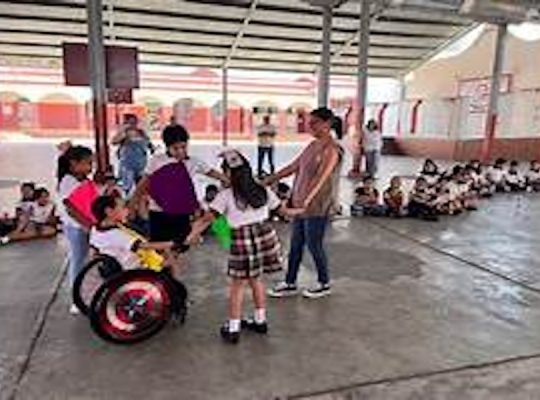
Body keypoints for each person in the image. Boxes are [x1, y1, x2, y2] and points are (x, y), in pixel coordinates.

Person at [187, 150, 301, 344]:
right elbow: (284, 211)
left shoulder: (225, 195)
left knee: (237, 285)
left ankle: (233, 328)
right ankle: (260, 320)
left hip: (242, 239)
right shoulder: (262, 190)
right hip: (265, 236)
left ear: (229, 174)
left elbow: (207, 220)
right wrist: (302, 210)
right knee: (256, 279)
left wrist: (189, 236)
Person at [264, 107, 342, 299]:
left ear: (327, 124)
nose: (310, 126)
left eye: (314, 123)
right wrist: (268, 180)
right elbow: (293, 167)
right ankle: (290, 282)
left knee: (314, 245)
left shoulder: (331, 149)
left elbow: (320, 179)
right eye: (309, 123)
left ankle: (324, 283)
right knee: (296, 245)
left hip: (317, 206)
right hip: (299, 203)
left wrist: (304, 203)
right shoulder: (312, 145)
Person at [131, 124, 227, 244]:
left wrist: (228, 180)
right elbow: (143, 183)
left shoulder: (193, 162)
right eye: (176, 148)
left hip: (181, 211)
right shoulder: (157, 161)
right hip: (158, 211)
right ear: (167, 147)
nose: (181, 151)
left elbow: (211, 172)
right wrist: (132, 204)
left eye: (183, 147)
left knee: (180, 244)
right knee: (159, 243)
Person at [90, 195, 186, 284]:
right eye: (123, 207)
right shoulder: (116, 235)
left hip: (119, 269)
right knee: (171, 258)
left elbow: (93, 252)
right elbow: (144, 246)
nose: (127, 210)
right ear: (109, 211)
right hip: (136, 269)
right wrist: (172, 243)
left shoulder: (95, 229)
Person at [57, 145, 94, 314]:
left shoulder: (83, 180)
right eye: (87, 163)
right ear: (74, 163)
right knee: (78, 261)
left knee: (85, 260)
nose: (91, 167)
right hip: (76, 227)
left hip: (84, 226)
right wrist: (88, 226)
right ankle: (76, 300)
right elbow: (71, 209)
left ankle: (86, 293)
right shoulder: (68, 181)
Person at [112, 114, 155, 195]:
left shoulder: (141, 133)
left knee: (142, 186)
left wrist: (151, 148)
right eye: (130, 123)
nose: (133, 125)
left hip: (141, 164)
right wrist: (123, 131)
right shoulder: (124, 133)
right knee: (127, 186)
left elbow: (149, 144)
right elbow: (114, 142)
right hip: (127, 165)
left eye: (134, 122)